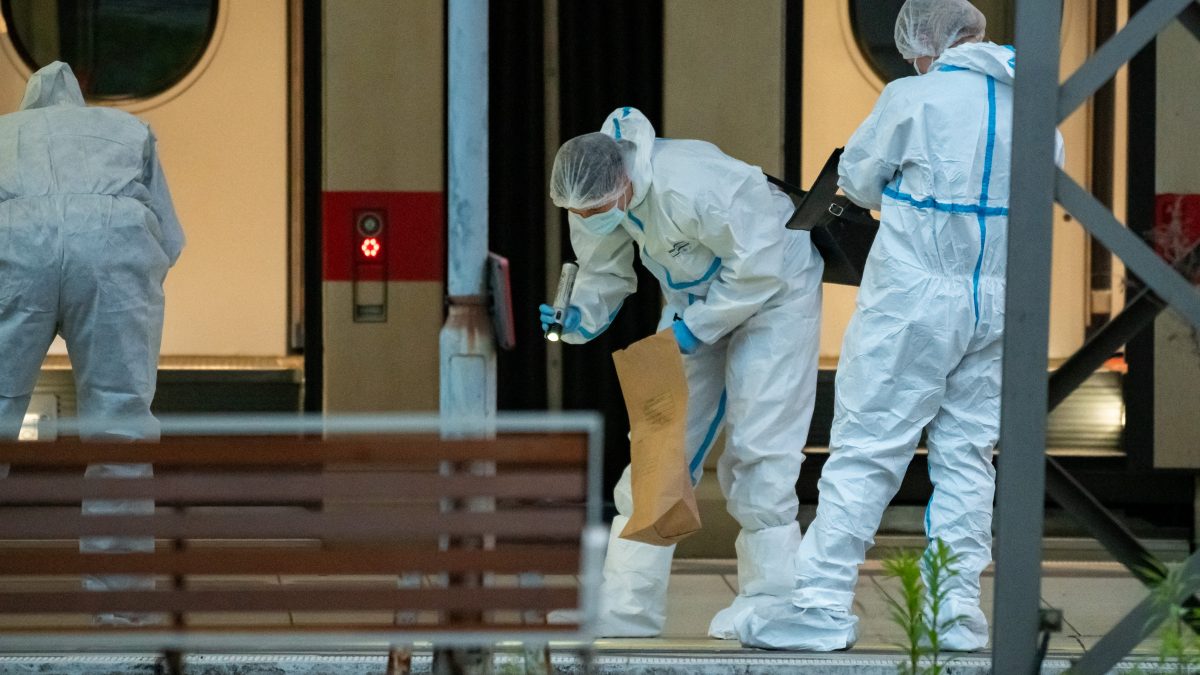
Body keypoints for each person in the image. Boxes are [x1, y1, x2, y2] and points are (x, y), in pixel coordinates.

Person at [736, 0, 1065, 652]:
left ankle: (822, 602)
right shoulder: (1035, 103)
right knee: (970, 458)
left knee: (866, 449)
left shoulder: (913, 97)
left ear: (926, 44)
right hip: (1000, 303)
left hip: (913, 300)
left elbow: (856, 179)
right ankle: (956, 615)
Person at [541, 106, 824, 638]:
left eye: (594, 210)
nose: (585, 220)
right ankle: (627, 607)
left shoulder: (694, 182)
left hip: (776, 294)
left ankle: (773, 601)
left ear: (624, 183)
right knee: (657, 446)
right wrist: (578, 316)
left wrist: (698, 327)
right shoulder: (605, 197)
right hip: (694, 300)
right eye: (577, 213)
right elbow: (603, 271)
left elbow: (759, 264)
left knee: (761, 446)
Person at [0, 61, 185, 624]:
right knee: (120, 426)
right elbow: (170, 235)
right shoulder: (127, 129)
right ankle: (121, 604)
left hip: (14, 245)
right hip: (112, 248)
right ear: (79, 99)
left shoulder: (4, 133)